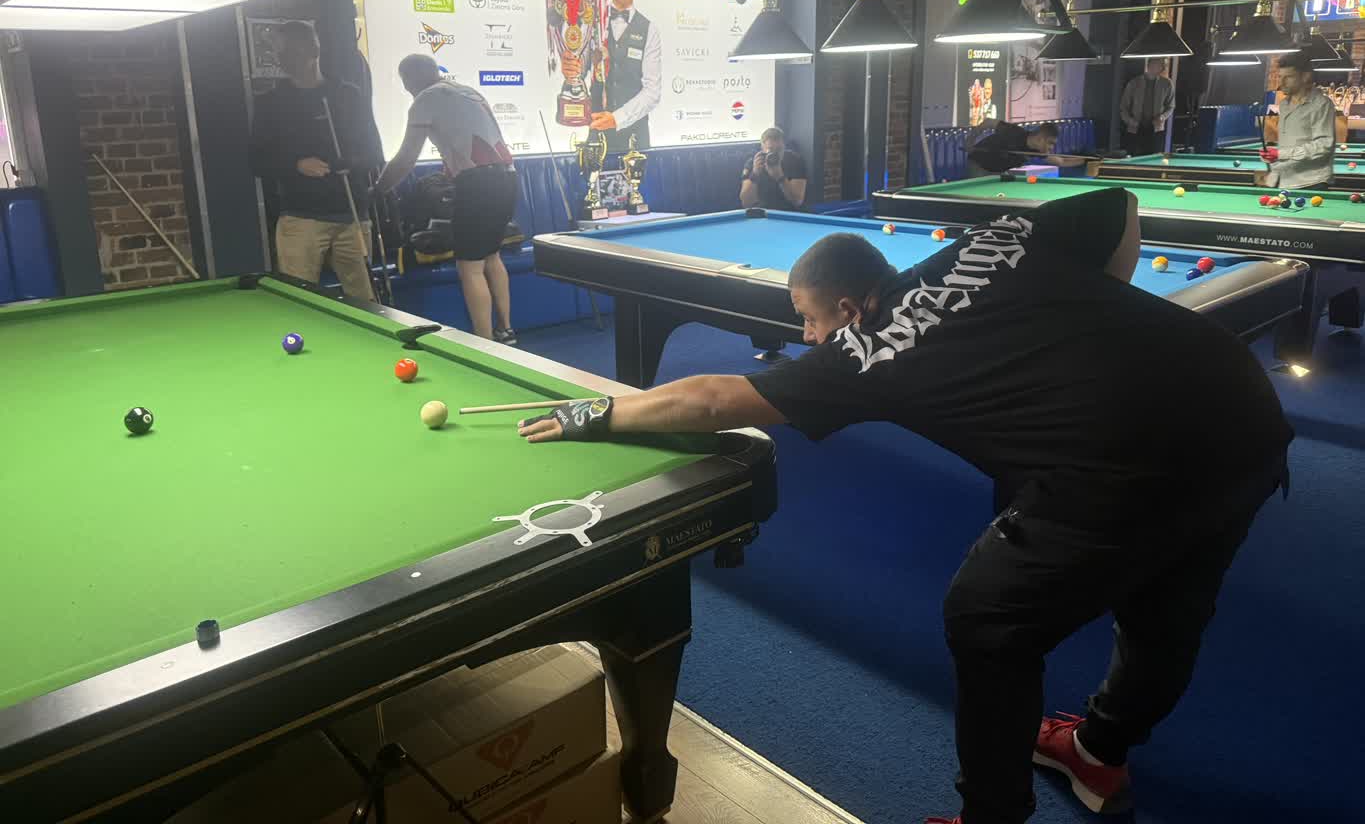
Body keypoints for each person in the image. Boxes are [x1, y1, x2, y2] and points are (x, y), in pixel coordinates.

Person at [516, 186, 1292, 824]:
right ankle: (1098, 751)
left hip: (1120, 471)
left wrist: (595, 413)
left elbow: (712, 399)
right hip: (1241, 415)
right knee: (1168, 602)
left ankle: (991, 816)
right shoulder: (984, 244)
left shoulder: (863, 350)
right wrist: (1094, 337)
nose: (806, 336)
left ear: (849, 306)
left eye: (809, 318)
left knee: (985, 618)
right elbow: (1116, 207)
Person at [374, 55, 518, 343]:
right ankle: (506, 330)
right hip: (509, 178)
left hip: (478, 184)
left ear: (410, 79)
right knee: (492, 255)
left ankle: (485, 343)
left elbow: (406, 158)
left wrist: (378, 190)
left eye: (405, 83)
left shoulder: (424, 100)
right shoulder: (468, 91)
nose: (406, 90)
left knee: (469, 266)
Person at [249, 21, 384, 301]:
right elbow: (257, 160)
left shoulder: (348, 95)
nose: (283, 59)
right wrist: (296, 165)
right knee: (300, 299)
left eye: (290, 51)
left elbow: (373, 152)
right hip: (300, 216)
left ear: (314, 50)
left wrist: (351, 163)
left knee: (365, 300)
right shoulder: (270, 102)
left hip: (352, 214)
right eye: (280, 53)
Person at [562, 0, 661, 153]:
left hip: (636, 143)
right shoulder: (591, 22)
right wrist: (571, 68)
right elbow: (581, 69)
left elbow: (652, 92)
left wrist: (617, 119)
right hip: (596, 140)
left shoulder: (649, 30)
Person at [1261, 49, 1335, 190]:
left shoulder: (1321, 104)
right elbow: (1291, 143)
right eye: (1280, 76)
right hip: (1283, 180)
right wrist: (1273, 155)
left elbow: (1324, 146)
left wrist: (1281, 154)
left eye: (1288, 77)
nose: (1281, 82)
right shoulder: (1284, 104)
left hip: (1311, 182)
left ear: (1305, 77)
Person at [740, 127, 807, 211]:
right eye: (770, 149)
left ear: (784, 147)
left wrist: (780, 177)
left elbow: (797, 201)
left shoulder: (795, 161)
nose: (775, 153)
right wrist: (755, 174)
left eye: (779, 149)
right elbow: (746, 203)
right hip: (762, 211)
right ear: (762, 148)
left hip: (789, 211)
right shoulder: (754, 163)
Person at [1119, 58, 1174, 155]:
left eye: (1160, 66)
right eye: (1155, 64)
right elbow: (1124, 107)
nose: (1157, 68)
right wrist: (1130, 121)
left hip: (1156, 128)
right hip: (1135, 127)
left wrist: (1162, 117)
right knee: (1134, 156)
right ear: (1148, 65)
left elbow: (1171, 106)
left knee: (1155, 157)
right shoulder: (1134, 83)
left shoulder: (1167, 84)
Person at [963, 122, 1057, 177]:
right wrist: (970, 140)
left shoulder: (1036, 149)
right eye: (1050, 143)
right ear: (1040, 139)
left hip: (999, 169)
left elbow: (1059, 161)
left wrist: (1067, 162)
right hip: (979, 164)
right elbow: (988, 122)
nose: (1051, 147)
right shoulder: (1014, 132)